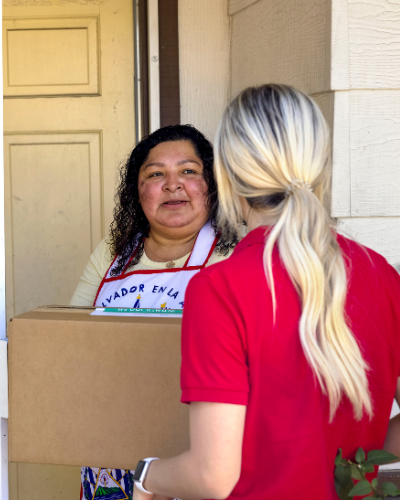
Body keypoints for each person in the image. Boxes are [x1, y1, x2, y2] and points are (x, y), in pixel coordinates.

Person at [130, 84, 400, 500]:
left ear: (227, 177)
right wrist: (353, 473)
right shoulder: (380, 275)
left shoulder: (219, 289)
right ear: (321, 165)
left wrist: (147, 475)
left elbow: (211, 477)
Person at [70, 124, 238, 500]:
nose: (173, 184)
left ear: (211, 184)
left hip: (201, 445)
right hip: (111, 444)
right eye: (156, 174)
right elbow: (72, 336)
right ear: (138, 191)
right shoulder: (112, 255)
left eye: (189, 171)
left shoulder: (236, 254)